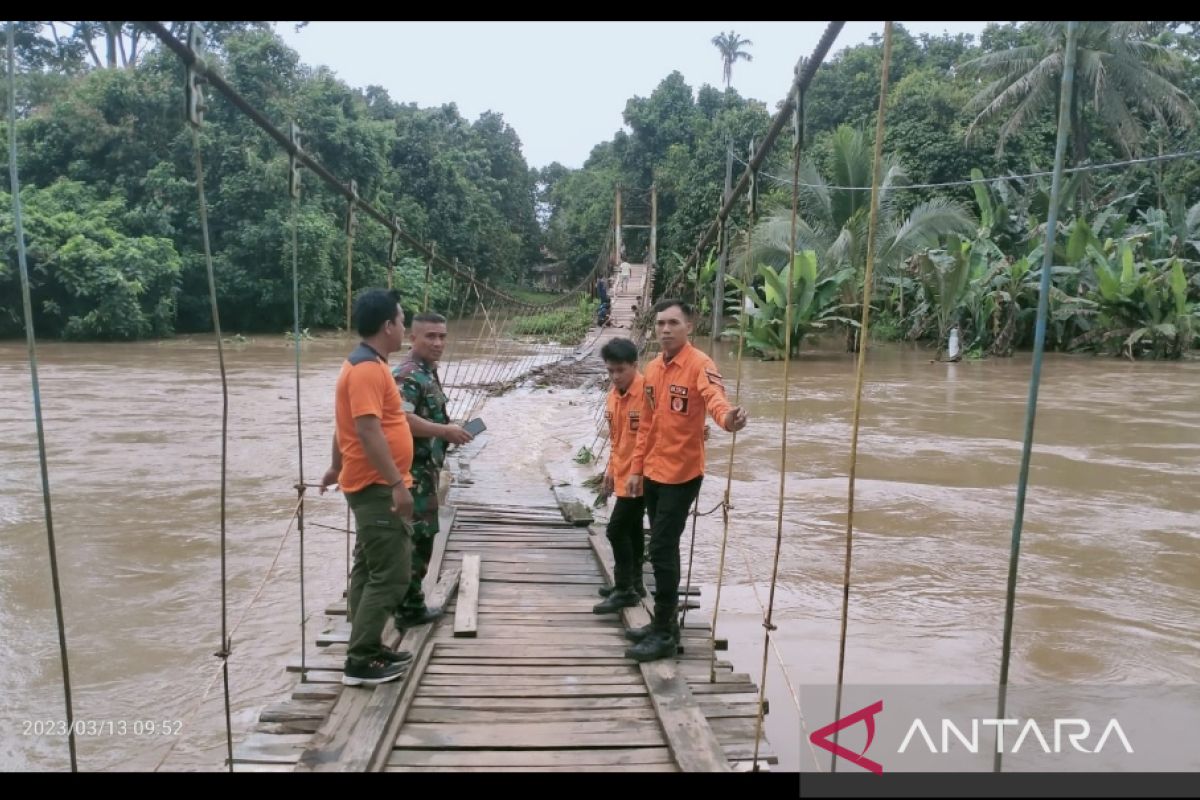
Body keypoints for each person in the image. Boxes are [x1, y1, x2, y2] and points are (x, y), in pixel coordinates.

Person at [624, 298, 748, 662]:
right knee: (664, 548)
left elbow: (715, 400)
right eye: (660, 323)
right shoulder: (652, 369)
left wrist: (729, 420)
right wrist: (635, 469)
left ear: (689, 326)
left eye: (673, 323)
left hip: (682, 474)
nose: (665, 330)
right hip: (652, 472)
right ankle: (663, 623)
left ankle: (664, 632)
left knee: (661, 548)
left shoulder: (700, 365)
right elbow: (645, 425)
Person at [320, 289, 416, 687]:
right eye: (401, 320)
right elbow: (365, 428)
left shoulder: (366, 365)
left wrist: (335, 465)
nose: (404, 328)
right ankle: (360, 662)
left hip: (367, 481)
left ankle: (368, 645)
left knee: (368, 569)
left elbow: (343, 425)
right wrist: (397, 483)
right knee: (391, 575)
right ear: (387, 326)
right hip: (377, 485)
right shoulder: (366, 370)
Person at [392, 312, 474, 630]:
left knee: (423, 537)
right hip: (412, 474)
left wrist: (449, 433)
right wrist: (444, 432)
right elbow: (401, 420)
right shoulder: (409, 375)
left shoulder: (428, 372)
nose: (438, 343)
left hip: (426, 470)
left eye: (442, 336)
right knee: (418, 539)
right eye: (430, 336)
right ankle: (408, 608)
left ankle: (408, 602)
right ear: (413, 338)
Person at [592, 337, 647, 614]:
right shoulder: (613, 396)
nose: (615, 376)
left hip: (644, 476)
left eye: (620, 370)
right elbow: (616, 439)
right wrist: (611, 471)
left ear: (634, 366)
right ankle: (635, 584)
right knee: (633, 530)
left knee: (616, 530)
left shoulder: (649, 393)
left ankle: (624, 588)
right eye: (610, 371)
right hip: (623, 472)